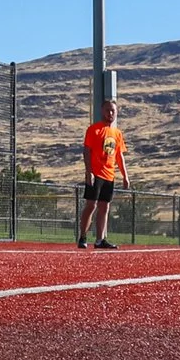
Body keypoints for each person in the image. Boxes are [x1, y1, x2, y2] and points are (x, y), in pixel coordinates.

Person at [78, 97, 129, 250]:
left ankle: (100, 240)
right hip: (96, 174)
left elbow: (119, 155)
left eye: (113, 111)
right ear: (102, 111)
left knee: (104, 207)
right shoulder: (94, 130)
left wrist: (125, 176)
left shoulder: (117, 133)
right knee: (91, 205)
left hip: (109, 175)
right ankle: (83, 236)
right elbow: (86, 151)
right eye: (107, 110)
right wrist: (89, 172)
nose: (110, 113)